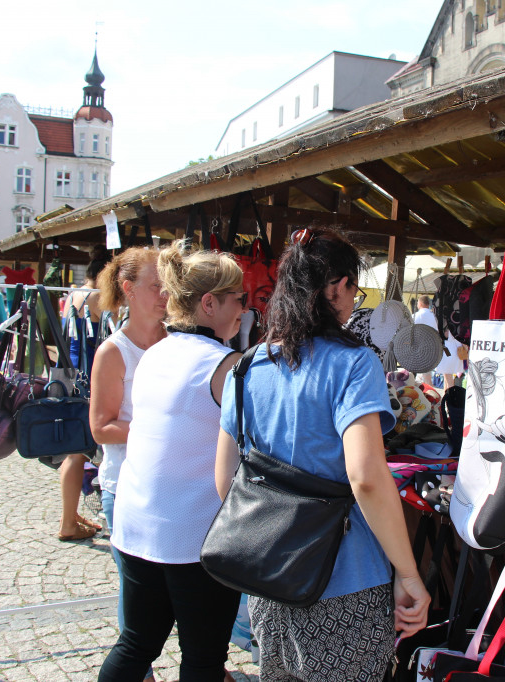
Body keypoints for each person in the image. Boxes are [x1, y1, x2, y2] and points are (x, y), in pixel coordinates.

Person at [215, 227, 430, 682]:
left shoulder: (248, 366)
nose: (353, 300)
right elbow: (366, 477)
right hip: (346, 580)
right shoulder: (355, 363)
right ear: (336, 286)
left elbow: (225, 479)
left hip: (269, 579)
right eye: (353, 286)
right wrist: (408, 574)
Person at [98, 244, 246, 682]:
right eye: (238, 297)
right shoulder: (226, 364)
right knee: (203, 659)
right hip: (192, 534)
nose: (244, 308)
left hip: (138, 521)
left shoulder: (155, 352)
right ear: (209, 303)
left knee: (136, 643)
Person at [89, 247, 167, 682]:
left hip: (171, 486)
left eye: (167, 287)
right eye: (156, 286)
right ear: (128, 289)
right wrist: (159, 433)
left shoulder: (176, 342)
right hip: (127, 487)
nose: (164, 295)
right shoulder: (113, 352)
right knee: (136, 595)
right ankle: (138, 672)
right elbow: (101, 428)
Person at [56, 258, 108, 541]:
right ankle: (68, 520)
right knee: (77, 451)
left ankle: (70, 514)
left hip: (70, 369)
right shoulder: (97, 298)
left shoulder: (73, 295)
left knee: (73, 450)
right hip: (88, 374)